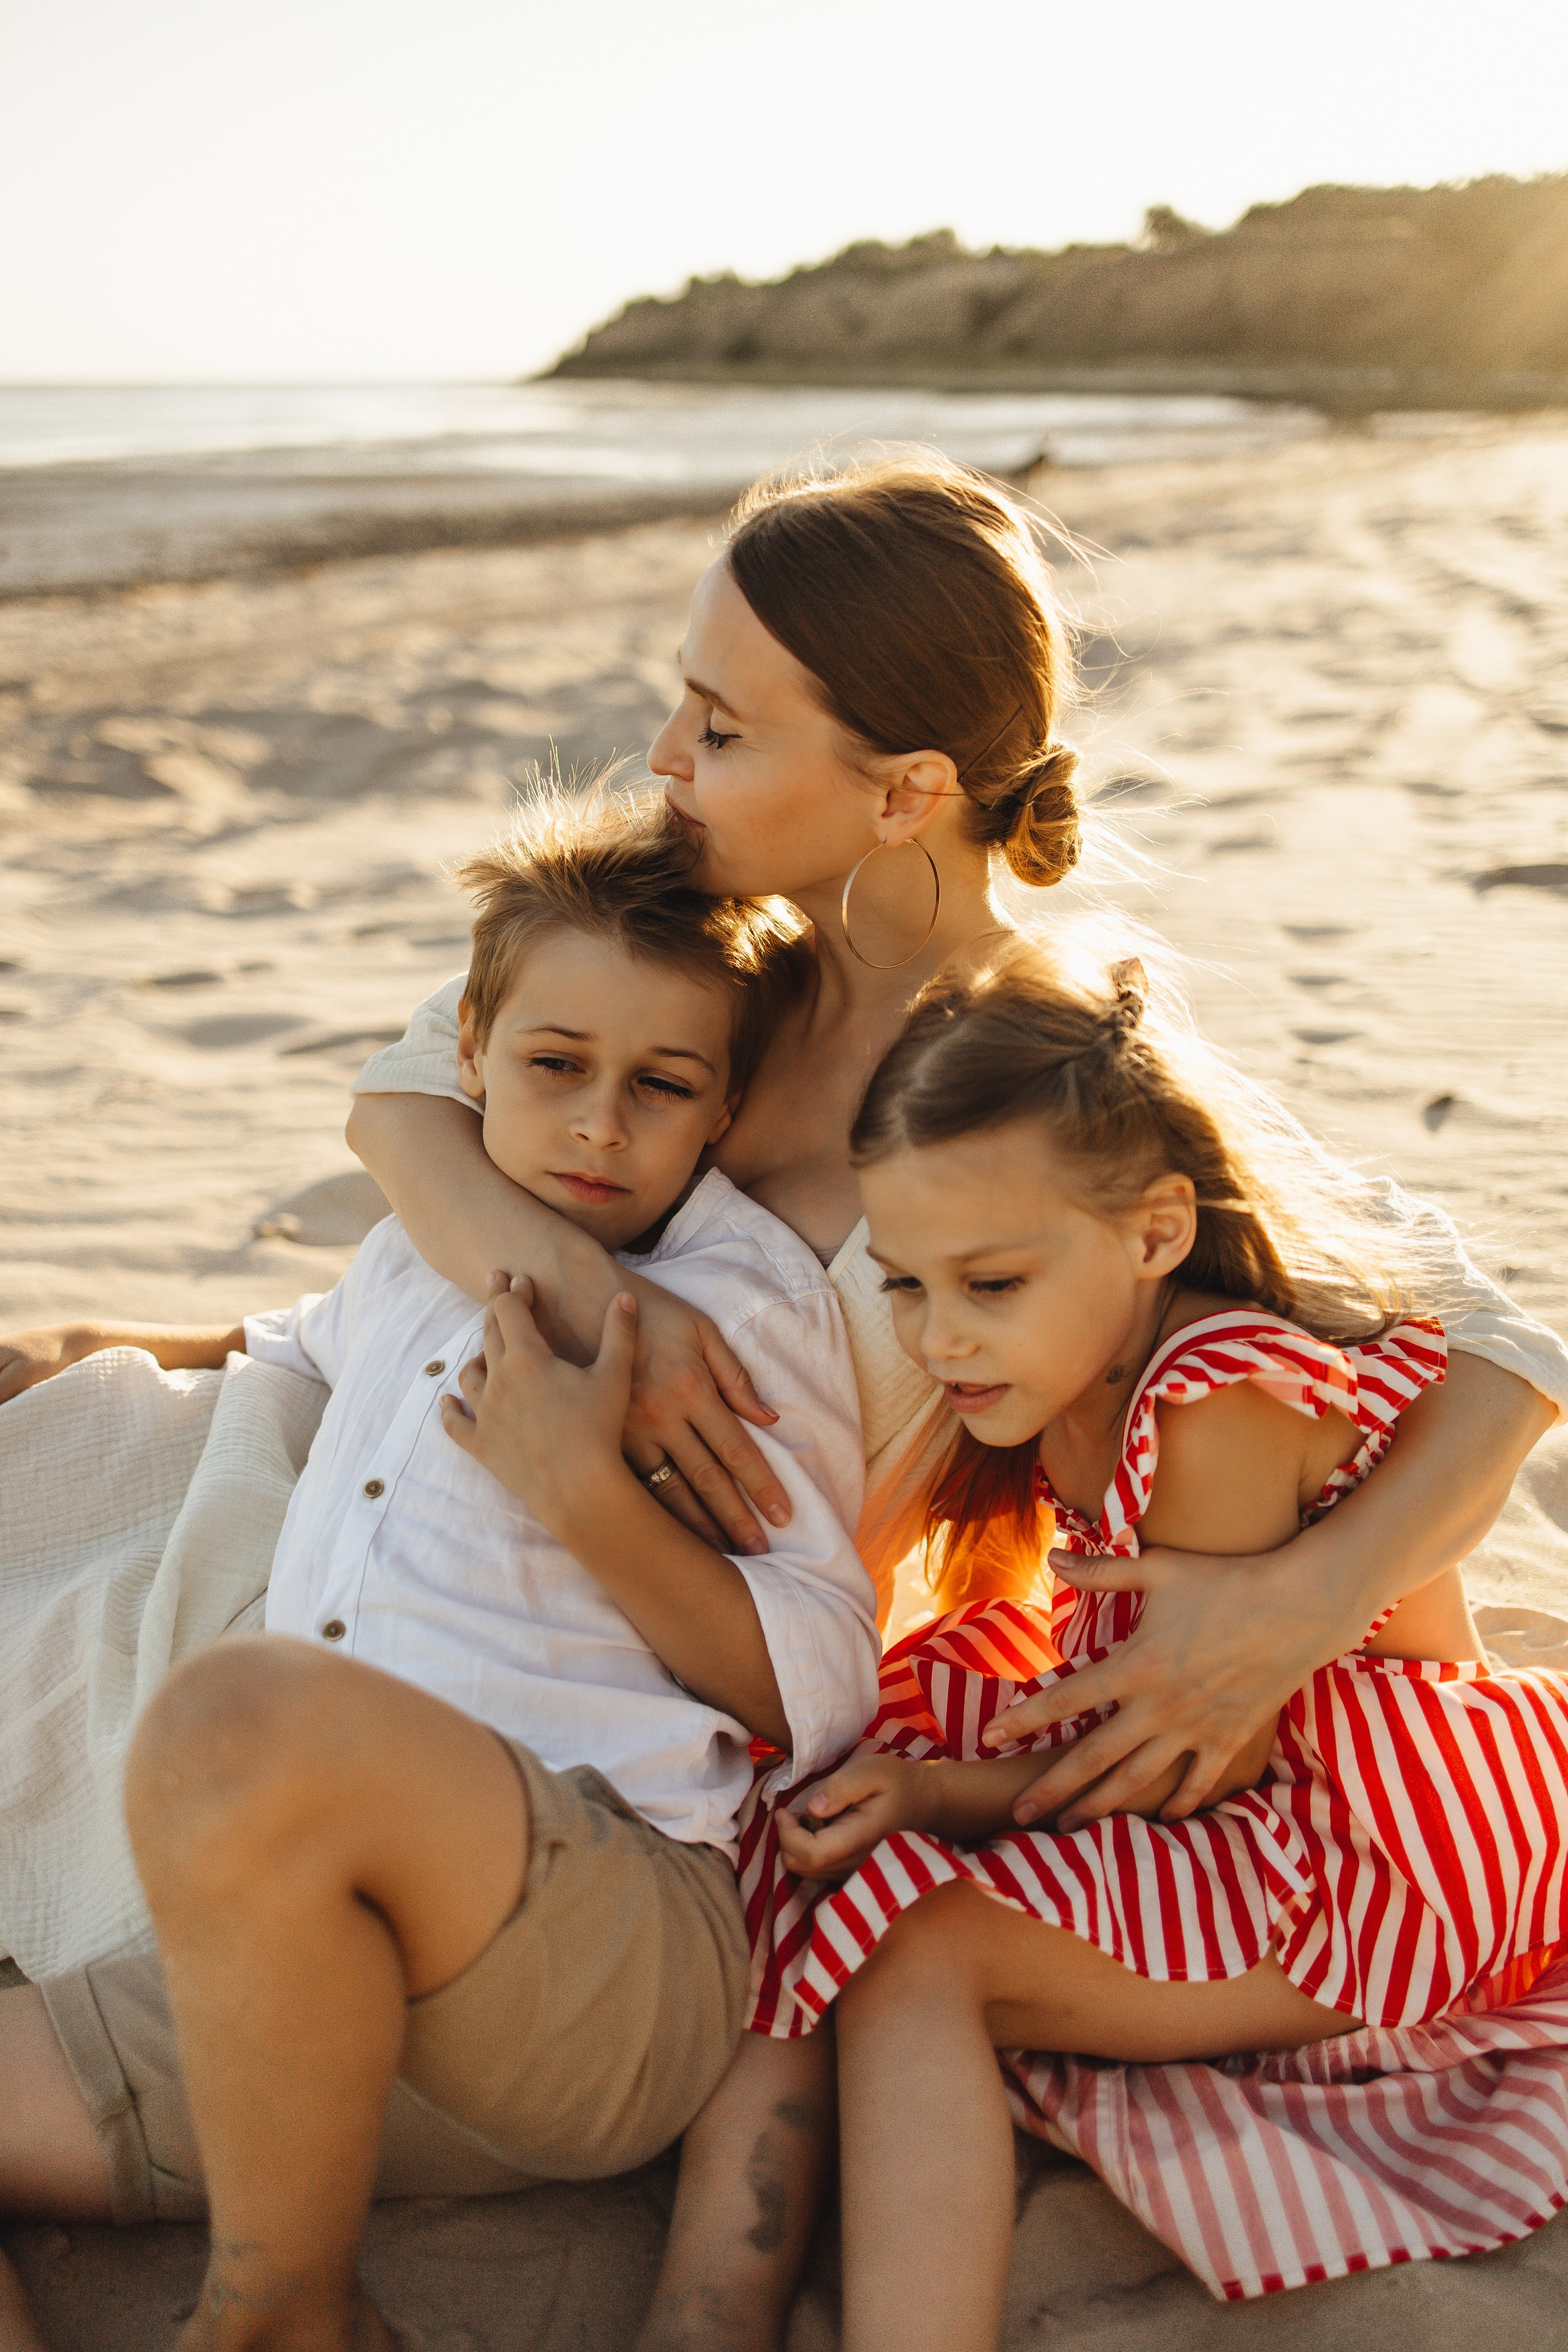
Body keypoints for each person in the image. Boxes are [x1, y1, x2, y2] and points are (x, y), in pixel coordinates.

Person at [344, 451, 1566, 1846]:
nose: (664, 759)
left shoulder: (1032, 1058)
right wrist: (594, 1291)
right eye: (680, 698)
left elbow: (1505, 1346)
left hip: (631, 1695)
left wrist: (1299, 1603)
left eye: (723, 729)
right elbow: (397, 1103)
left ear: (903, 793)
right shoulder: (710, 963)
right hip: (398, 1511)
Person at [0, 786, 879, 2352]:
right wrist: (42, 1356)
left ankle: (284, 2312)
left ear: (721, 1111)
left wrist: (586, 1492)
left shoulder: (732, 1309)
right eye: (556, 1068)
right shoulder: (421, 1244)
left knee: (236, 1714)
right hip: (322, 1991)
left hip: (590, 1943)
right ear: (466, 1056)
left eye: (660, 1087)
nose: (601, 1123)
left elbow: (805, 1679)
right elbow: (268, 1352)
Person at [647, 939, 1568, 2352]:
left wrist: (946, 1802)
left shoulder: (1211, 1397)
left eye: (989, 1286)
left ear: (1150, 1232)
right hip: (1201, 1777)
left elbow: (1191, 1762)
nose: (940, 1341)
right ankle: (711, 2301)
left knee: (914, 1953)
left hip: (1354, 1847)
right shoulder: (1059, 1367)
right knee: (829, 1790)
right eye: (904, 1285)